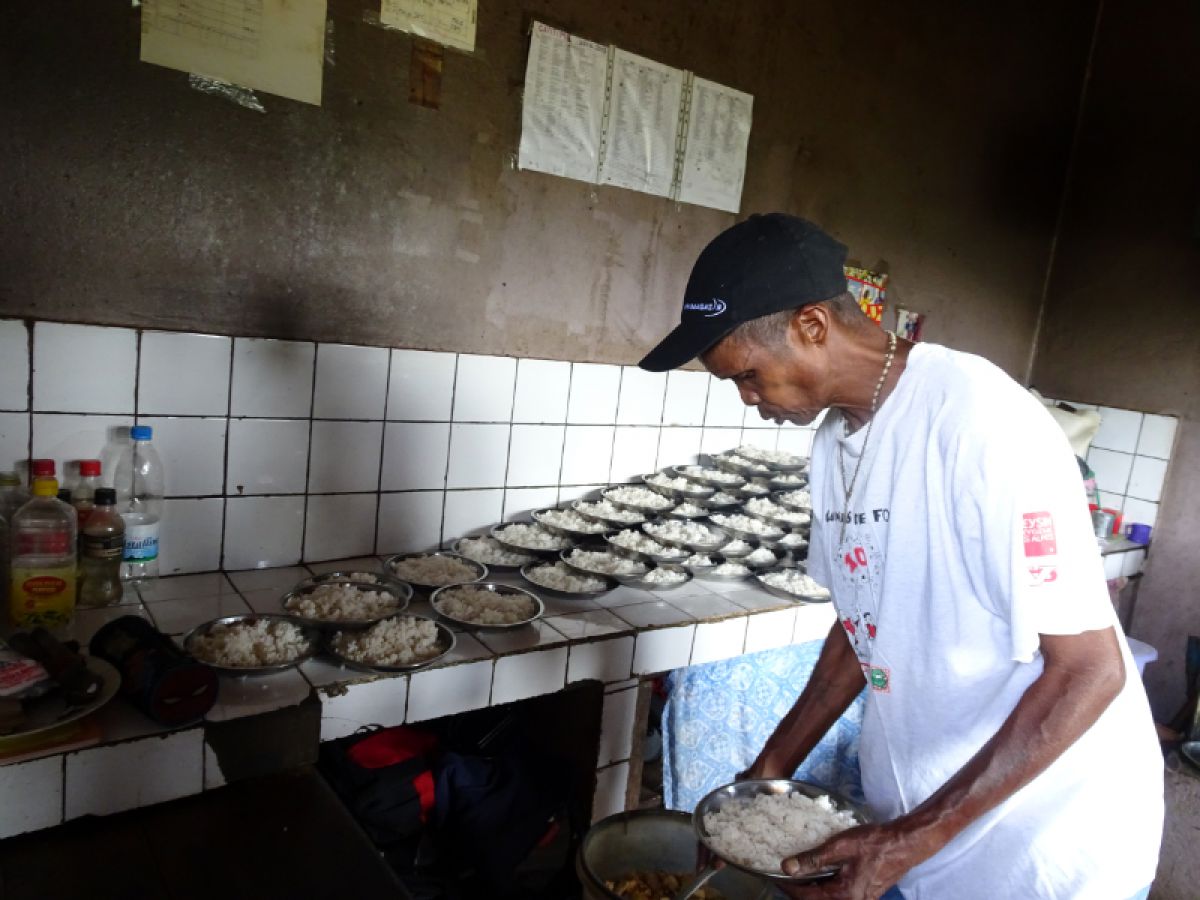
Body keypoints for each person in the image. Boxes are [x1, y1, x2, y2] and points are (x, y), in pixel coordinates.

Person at [638, 214, 1163, 900]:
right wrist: (767, 773)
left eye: (749, 375)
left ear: (812, 326)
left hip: (1041, 847)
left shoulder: (982, 423)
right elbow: (864, 624)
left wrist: (908, 840)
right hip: (928, 829)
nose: (748, 398)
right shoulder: (835, 443)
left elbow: (1090, 671)